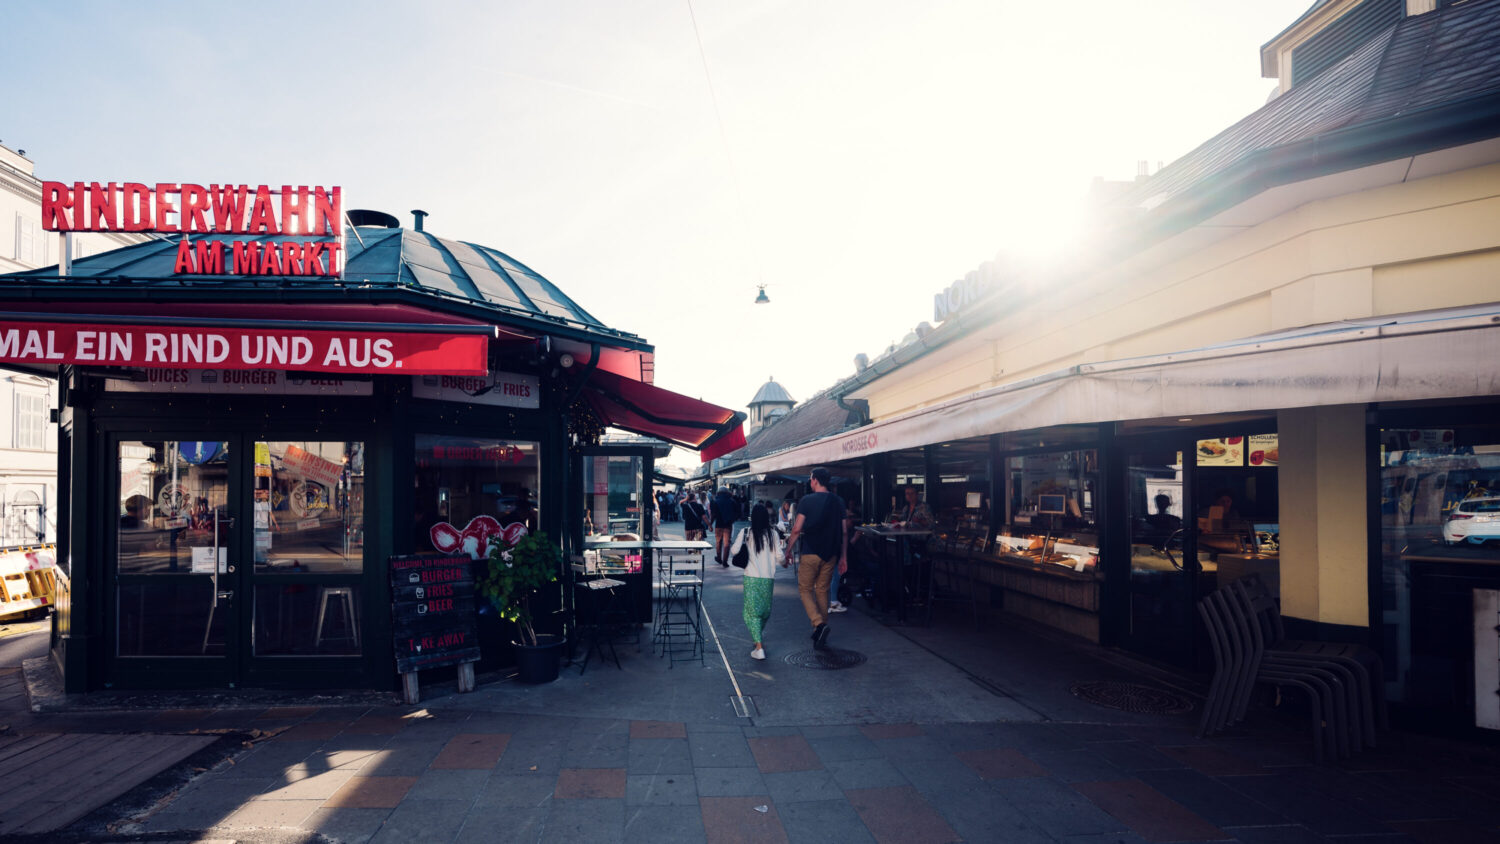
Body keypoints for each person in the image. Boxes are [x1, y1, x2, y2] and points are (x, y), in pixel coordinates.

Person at [783, 467, 847, 649]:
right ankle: (820, 633)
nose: (810, 482)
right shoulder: (839, 501)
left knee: (804, 589)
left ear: (816, 480)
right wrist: (844, 557)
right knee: (822, 590)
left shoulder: (807, 501)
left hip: (810, 551)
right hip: (831, 553)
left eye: (811, 479)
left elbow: (796, 529)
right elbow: (843, 531)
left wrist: (788, 550)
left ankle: (818, 623)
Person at [730, 503, 783, 660]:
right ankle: (757, 640)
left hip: (751, 577)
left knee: (751, 612)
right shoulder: (773, 534)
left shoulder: (746, 532)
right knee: (765, 611)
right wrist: (786, 561)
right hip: (768, 578)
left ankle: (759, 647)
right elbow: (779, 556)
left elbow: (733, 551)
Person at [712, 487, 740, 566]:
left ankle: (719, 558)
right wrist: (732, 520)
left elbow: (713, 514)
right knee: (727, 543)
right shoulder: (732, 501)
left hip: (718, 525)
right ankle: (725, 561)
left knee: (718, 542)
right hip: (728, 525)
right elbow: (738, 512)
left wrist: (710, 523)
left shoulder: (716, 501)